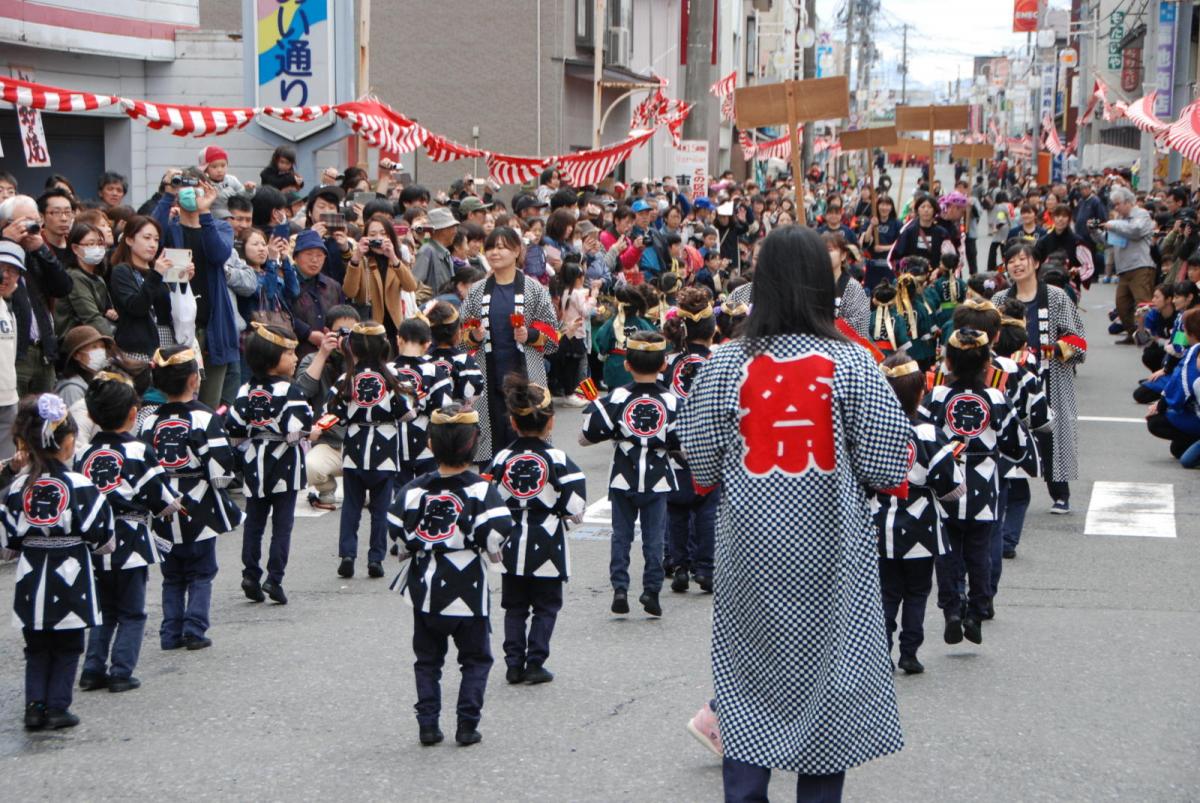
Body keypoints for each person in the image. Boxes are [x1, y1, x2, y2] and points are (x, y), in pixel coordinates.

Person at [679, 225, 911, 799]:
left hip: (750, 557)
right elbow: (888, 466)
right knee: (827, 690)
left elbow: (701, 467)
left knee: (747, 685)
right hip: (834, 558)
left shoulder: (724, 364)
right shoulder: (855, 364)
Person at [389, 403, 513, 747]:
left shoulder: (414, 489)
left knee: (427, 660)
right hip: (469, 589)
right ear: (475, 443)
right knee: (475, 658)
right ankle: (466, 724)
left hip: (424, 588)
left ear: (430, 444)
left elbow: (397, 531)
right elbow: (499, 530)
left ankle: (428, 724)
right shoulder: (481, 489)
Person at [1, 394, 114, 731]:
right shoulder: (80, 485)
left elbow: (7, 542)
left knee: (36, 647)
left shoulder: (19, 486)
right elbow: (102, 536)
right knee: (67, 645)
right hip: (72, 574)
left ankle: (34, 707)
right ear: (67, 441)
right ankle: (58, 707)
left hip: (32, 575)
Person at [920, 327, 1029, 642]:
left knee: (948, 552)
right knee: (979, 553)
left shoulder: (939, 396)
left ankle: (952, 607)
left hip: (946, 487)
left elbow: (923, 433)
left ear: (949, 363)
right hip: (983, 488)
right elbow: (1015, 442)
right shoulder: (995, 397)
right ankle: (977, 612)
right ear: (986, 364)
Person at [76, 370, 182, 694]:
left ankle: (92, 669)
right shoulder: (137, 450)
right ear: (134, 413)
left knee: (103, 608)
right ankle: (121, 670)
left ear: (92, 415)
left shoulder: (83, 453)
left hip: (95, 540)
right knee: (132, 610)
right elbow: (158, 493)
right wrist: (171, 505)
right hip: (130, 537)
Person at [139, 346, 244, 650]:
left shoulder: (148, 420)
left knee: (172, 575)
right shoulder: (203, 417)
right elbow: (221, 470)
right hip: (199, 504)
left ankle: (170, 633)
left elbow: (142, 466)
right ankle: (194, 628)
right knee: (201, 571)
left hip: (161, 504)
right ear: (192, 381)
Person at [487, 376, 587, 685]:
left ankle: (513, 663)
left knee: (515, 605)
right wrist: (568, 514)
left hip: (512, 538)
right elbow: (575, 503)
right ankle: (536, 661)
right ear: (550, 423)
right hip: (547, 539)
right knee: (546, 605)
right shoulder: (557, 458)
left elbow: (490, 499)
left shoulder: (502, 458)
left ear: (513, 424)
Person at [872, 353, 965, 674]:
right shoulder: (928, 433)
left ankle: (880, 651)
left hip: (880, 523)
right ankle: (910, 652)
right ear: (920, 392)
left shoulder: (871, 430)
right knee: (917, 591)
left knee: (885, 593)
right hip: (922, 524)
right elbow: (952, 486)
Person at [580, 330, 679, 618]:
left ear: (627, 364)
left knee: (621, 535)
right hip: (658, 478)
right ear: (664, 365)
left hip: (623, 474)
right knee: (654, 538)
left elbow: (587, 433)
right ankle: (652, 591)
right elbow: (682, 441)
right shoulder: (672, 402)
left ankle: (620, 588)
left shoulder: (618, 396)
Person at [993, 243, 1087, 513]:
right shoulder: (1000, 299)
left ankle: (1060, 492)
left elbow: (1077, 338)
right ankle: (1006, 491)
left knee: (1052, 433)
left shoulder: (1056, 297)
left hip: (1050, 374)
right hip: (1009, 375)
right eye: (1011, 260)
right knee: (1007, 430)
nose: (1017, 265)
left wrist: (1053, 349)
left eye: (1023, 259)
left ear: (1036, 263)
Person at [460, 226, 560, 465]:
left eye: (502, 247)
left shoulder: (534, 288)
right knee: (490, 436)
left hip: (527, 374)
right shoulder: (477, 291)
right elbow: (460, 336)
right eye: (491, 247)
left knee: (529, 434)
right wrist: (473, 335)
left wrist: (530, 335)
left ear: (517, 251)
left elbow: (553, 336)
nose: (495, 252)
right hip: (487, 375)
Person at [227, 324, 310, 605]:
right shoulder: (291, 390)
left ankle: (250, 573)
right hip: (284, 461)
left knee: (255, 523)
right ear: (272, 356)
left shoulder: (245, 389)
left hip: (254, 462)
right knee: (282, 525)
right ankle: (274, 579)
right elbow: (297, 428)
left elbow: (235, 428)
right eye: (289, 352)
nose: (295, 358)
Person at [326, 321, 415, 579]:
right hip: (384, 449)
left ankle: (348, 554)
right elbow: (408, 413)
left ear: (351, 347)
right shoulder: (392, 379)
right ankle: (375, 558)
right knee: (380, 508)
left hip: (354, 446)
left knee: (352, 506)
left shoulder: (347, 379)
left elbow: (333, 413)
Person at [151, 174, 240, 407]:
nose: (192, 194)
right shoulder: (170, 229)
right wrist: (169, 193)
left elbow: (218, 254)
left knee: (207, 406)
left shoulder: (219, 227)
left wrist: (205, 212)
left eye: (197, 190)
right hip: (177, 326)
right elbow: (151, 236)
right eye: (186, 190)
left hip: (213, 326)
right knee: (178, 402)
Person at [660, 287, 717, 593]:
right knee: (707, 508)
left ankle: (679, 564)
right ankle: (705, 569)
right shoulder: (721, 360)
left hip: (675, 444)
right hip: (709, 443)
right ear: (712, 330)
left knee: (677, 508)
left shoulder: (667, 363)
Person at [0, 194, 74, 396]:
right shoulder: (3, 251)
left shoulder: (34, 251)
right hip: (14, 354)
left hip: (43, 352)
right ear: (6, 223)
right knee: (14, 423)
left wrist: (42, 249)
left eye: (35, 221)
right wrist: (7, 242)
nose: (31, 228)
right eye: (24, 222)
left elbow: (64, 287)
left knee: (44, 422)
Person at [295, 304, 359, 510]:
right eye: (341, 332)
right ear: (326, 332)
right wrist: (323, 353)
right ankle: (326, 489)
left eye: (353, 332)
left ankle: (365, 489)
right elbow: (301, 392)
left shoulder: (366, 361)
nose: (346, 338)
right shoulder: (312, 359)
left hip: (361, 441)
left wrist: (356, 358)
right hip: (329, 442)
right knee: (310, 466)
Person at [109, 216, 186, 362]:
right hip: (138, 348)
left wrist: (183, 280)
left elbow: (171, 308)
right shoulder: (122, 271)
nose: (152, 244)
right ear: (129, 240)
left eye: (156, 240)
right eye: (147, 238)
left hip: (166, 341)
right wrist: (156, 274)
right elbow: (137, 307)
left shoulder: (158, 271)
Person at [393, 319, 454, 483]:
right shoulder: (435, 371)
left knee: (400, 498)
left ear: (398, 339)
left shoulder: (388, 369)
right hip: (426, 443)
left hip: (393, 443)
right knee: (429, 493)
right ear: (428, 344)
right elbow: (445, 409)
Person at [344, 213, 419, 343]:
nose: (378, 238)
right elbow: (350, 292)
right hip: (370, 328)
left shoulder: (396, 261)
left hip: (395, 327)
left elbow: (411, 286)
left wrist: (394, 257)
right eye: (372, 235)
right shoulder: (362, 262)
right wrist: (356, 257)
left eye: (383, 234)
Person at [1103, 186, 1158, 343]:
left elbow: (1136, 230)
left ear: (1128, 202)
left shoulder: (1142, 214)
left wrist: (1113, 225)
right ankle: (1132, 333)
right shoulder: (1119, 220)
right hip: (1123, 268)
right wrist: (1095, 230)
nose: (1116, 207)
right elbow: (1108, 241)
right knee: (1122, 304)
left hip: (1141, 265)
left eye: (1118, 203)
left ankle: (1147, 333)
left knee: (1143, 302)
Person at [1145, 308, 1200, 458]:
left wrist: (1162, 404)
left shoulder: (1187, 318)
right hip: (1171, 370)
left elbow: (1178, 352)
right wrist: (1166, 368)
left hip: (1192, 406)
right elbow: (1176, 352)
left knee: (1156, 421)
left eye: (1178, 296)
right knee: (1178, 450)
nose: (1176, 300)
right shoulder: (1182, 318)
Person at [291, 229, 349, 359]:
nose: (314, 260)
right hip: (296, 354)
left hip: (332, 355)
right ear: (295, 256)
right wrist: (308, 334)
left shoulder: (333, 286)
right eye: (309, 254)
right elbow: (282, 314)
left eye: (319, 255)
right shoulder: (285, 282)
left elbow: (342, 317)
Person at [55, 222, 116, 337]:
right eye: (90, 244)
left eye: (100, 243)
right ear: (75, 248)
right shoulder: (74, 277)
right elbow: (91, 317)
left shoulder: (97, 277)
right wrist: (114, 345)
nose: (97, 248)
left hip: (94, 337)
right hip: (77, 343)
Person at [426, 301, 484, 403]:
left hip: (431, 416)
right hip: (459, 415)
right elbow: (475, 390)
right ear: (458, 331)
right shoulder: (464, 359)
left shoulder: (424, 359)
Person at [53, 324, 115, 407]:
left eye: (102, 346)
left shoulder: (97, 379)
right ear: (76, 355)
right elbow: (74, 419)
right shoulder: (72, 389)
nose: (100, 351)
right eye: (94, 347)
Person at [0, 242, 23, 459]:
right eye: (1, 269)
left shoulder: (10, 309)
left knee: (6, 464)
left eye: (12, 271)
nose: (5, 276)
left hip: (8, 396)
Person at [412, 207, 459, 298]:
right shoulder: (427, 251)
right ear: (443, 230)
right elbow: (414, 284)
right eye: (452, 227)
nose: (455, 231)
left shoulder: (445, 253)